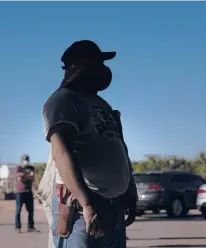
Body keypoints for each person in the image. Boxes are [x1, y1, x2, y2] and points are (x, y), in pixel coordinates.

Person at [42, 40, 138, 248]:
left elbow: (120, 148)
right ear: (78, 67)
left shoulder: (103, 105)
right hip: (82, 211)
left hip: (113, 208)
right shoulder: (63, 100)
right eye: (98, 63)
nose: (103, 69)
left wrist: (130, 191)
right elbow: (61, 152)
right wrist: (87, 204)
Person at [14, 154, 38, 233]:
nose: (26, 161)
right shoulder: (19, 167)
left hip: (29, 192)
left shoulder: (31, 167)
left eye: (27, 159)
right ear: (21, 160)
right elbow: (19, 177)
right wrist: (27, 175)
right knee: (18, 210)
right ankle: (17, 227)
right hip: (20, 192)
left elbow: (32, 177)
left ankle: (30, 227)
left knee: (31, 211)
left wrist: (24, 175)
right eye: (24, 159)